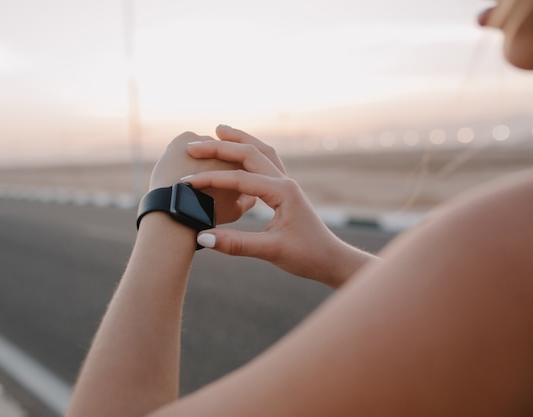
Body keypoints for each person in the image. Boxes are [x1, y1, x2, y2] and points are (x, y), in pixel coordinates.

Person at [66, 2, 533, 416]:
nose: (485, 14)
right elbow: (463, 320)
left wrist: (171, 205)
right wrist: (333, 257)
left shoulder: (508, 240)